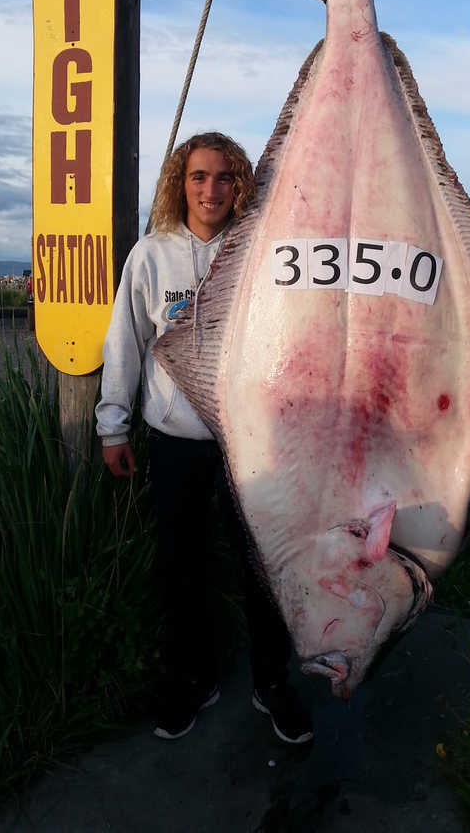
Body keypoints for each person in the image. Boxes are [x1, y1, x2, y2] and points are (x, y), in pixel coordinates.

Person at [95, 131, 313, 743]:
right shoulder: (151, 256)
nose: (211, 189)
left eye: (223, 177)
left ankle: (272, 684)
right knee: (179, 569)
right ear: (179, 183)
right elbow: (125, 344)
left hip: (249, 448)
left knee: (262, 568)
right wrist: (111, 425)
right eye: (198, 176)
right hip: (174, 443)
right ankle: (193, 680)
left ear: (240, 185)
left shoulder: (261, 255)